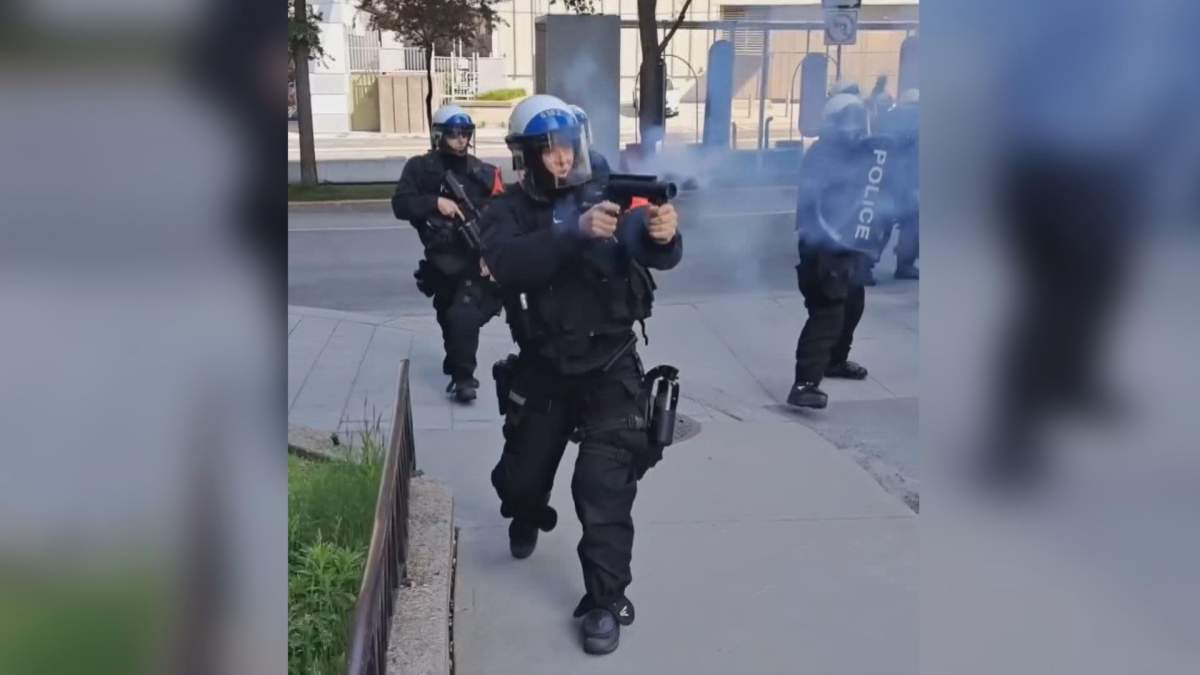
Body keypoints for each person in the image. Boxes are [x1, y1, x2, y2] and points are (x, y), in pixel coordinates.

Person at [481, 95, 682, 655]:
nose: (563, 158)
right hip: (544, 369)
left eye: (568, 147)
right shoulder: (508, 212)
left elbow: (649, 243)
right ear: (526, 157)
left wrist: (663, 233)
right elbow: (507, 263)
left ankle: (604, 602)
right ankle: (525, 513)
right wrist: (572, 231)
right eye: (549, 151)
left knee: (601, 487)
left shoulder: (604, 191)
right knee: (521, 483)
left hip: (610, 369)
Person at [392, 104, 504, 402]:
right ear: (438, 135)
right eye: (454, 134)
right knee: (448, 317)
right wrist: (435, 203)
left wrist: (493, 255)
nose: (461, 139)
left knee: (463, 316)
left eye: (466, 133)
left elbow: (504, 215)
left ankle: (464, 379)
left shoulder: (483, 172)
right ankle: (456, 359)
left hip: (475, 262)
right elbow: (401, 204)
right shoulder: (420, 168)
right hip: (441, 264)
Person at [787, 93, 875, 409]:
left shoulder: (856, 153)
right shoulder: (822, 155)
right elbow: (820, 205)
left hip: (848, 245)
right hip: (823, 247)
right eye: (848, 122)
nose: (854, 129)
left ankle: (835, 361)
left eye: (858, 121)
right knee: (828, 311)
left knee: (853, 304)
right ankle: (805, 383)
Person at [878, 88, 920, 279]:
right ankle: (905, 265)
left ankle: (864, 267)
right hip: (910, 183)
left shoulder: (888, 117)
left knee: (881, 223)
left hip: (885, 179)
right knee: (911, 224)